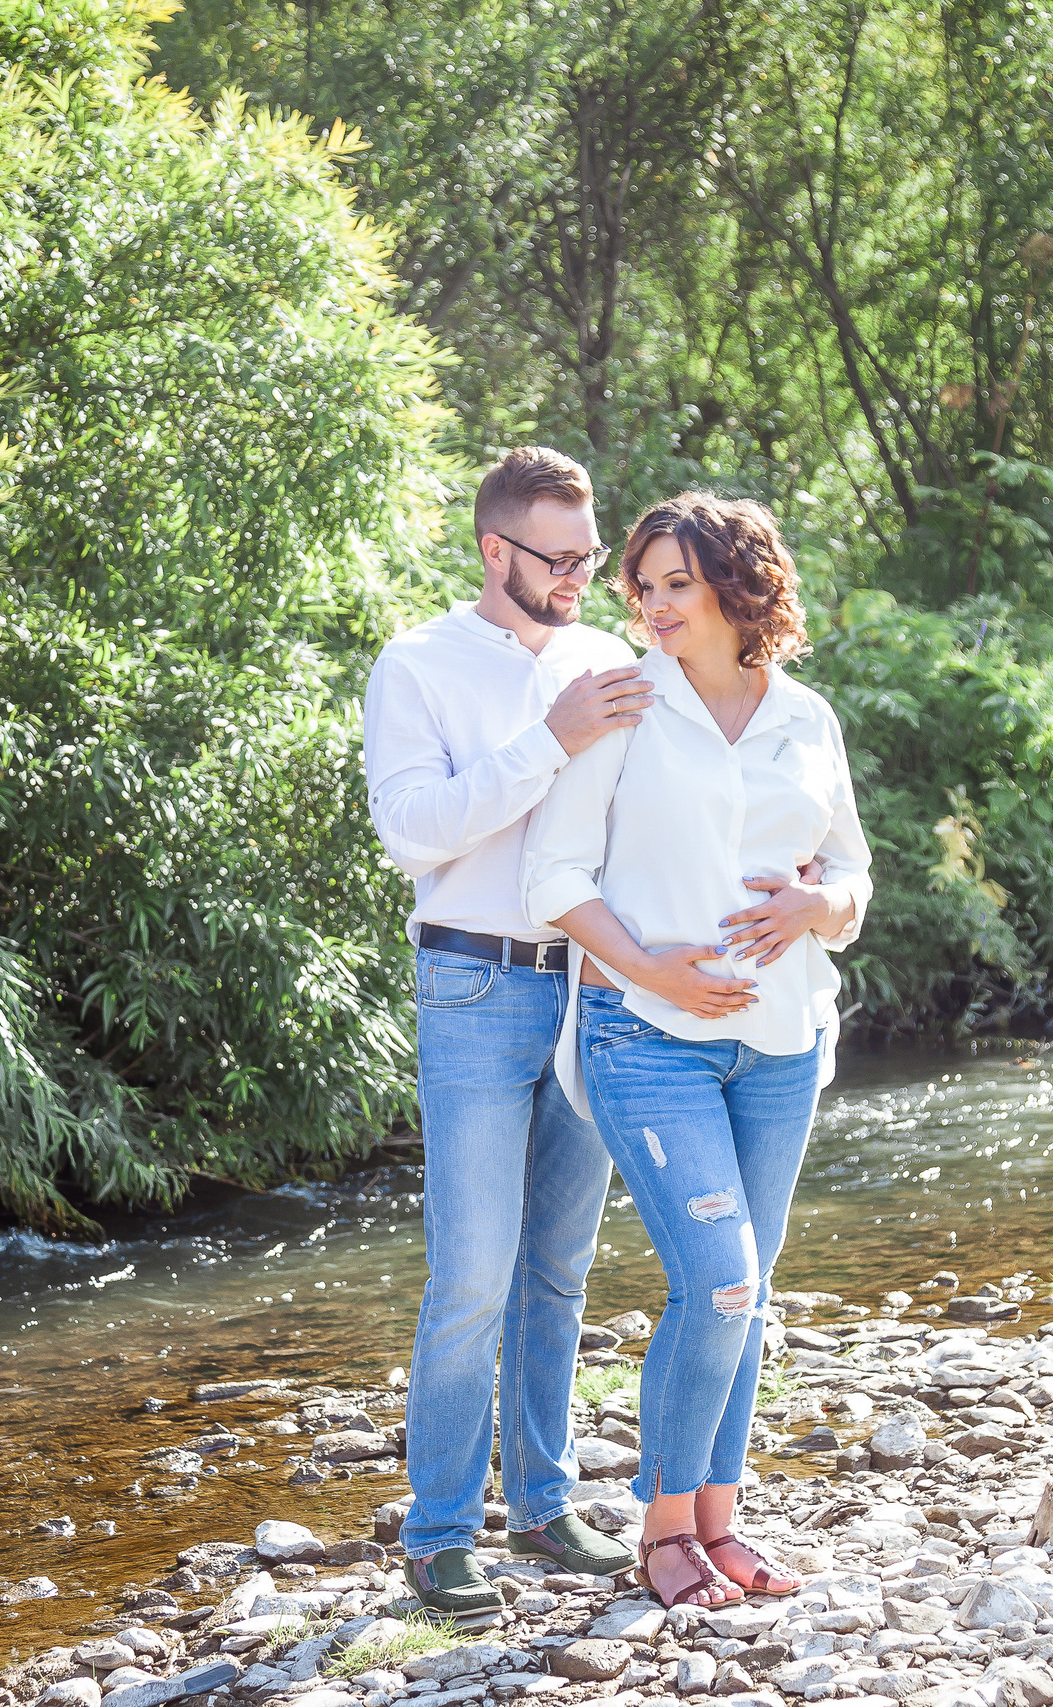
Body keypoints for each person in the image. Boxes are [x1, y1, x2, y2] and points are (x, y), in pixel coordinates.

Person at [519, 492, 873, 1609]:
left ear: (735, 585)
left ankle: (719, 1524)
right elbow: (554, 879)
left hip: (782, 1040)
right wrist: (653, 969)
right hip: (645, 1037)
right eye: (645, 585)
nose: (656, 605)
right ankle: (663, 1532)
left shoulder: (805, 716)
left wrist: (814, 908)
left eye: (679, 582)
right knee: (717, 1284)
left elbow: (853, 880)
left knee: (749, 1294)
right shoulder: (623, 708)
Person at [361, 447, 653, 1613]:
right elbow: (412, 833)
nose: (584, 575)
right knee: (472, 1271)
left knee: (558, 1269)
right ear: (496, 550)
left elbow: (642, 817)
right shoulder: (418, 662)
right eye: (562, 556)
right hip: (473, 986)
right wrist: (554, 736)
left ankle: (539, 1508)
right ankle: (437, 1532)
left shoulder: (606, 658)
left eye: (592, 553)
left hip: (592, 987)